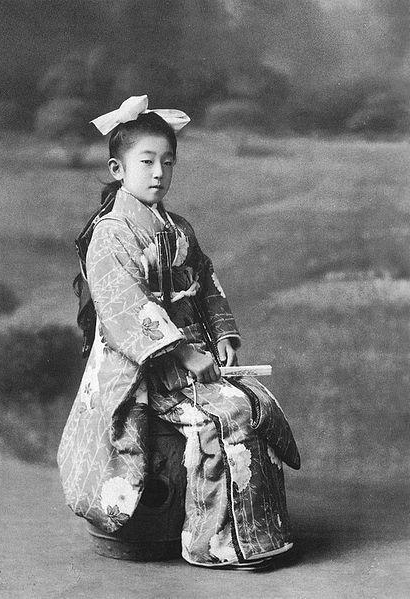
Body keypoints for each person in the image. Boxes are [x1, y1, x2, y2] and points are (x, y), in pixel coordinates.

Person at [57, 95, 300, 569]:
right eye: (146, 161)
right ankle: (213, 542)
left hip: (192, 354)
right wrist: (185, 355)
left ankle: (258, 536)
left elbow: (206, 282)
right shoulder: (111, 232)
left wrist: (223, 336)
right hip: (141, 367)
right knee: (224, 415)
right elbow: (126, 309)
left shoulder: (178, 228)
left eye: (167, 162)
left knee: (255, 402)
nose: (158, 173)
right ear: (117, 169)